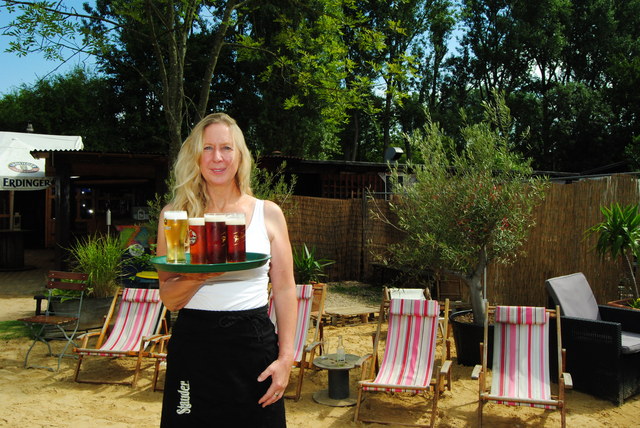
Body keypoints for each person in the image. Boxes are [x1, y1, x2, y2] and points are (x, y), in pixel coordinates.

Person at [156, 113, 297, 427]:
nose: (217, 157)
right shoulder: (177, 216)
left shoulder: (267, 213)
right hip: (194, 347)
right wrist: (200, 274)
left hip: (253, 346)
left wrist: (286, 359)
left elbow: (286, 290)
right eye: (207, 148)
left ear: (240, 156)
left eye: (226, 148)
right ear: (196, 156)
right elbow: (170, 298)